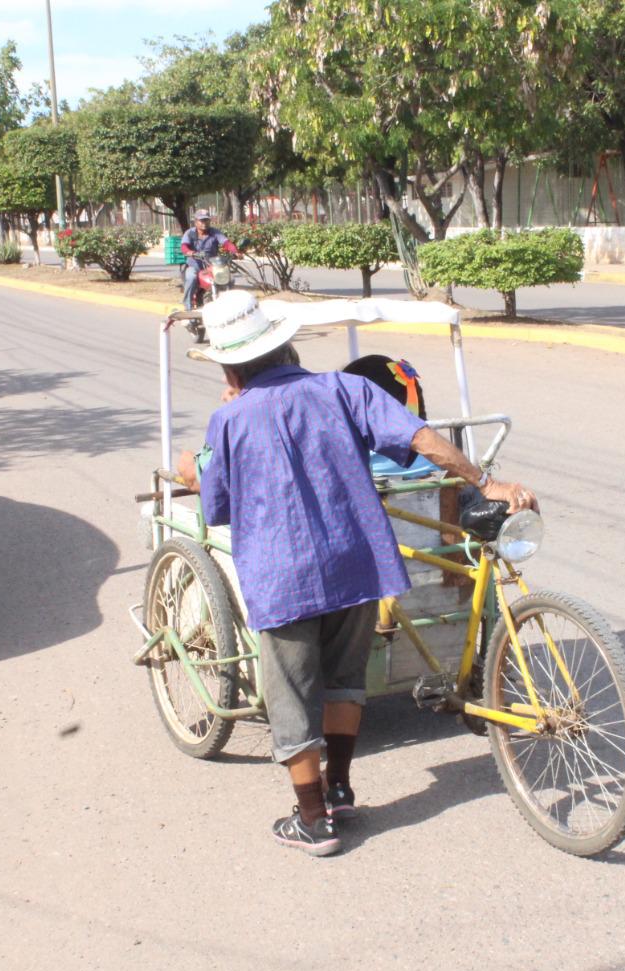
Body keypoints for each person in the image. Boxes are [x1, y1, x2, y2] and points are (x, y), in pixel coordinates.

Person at [173, 291, 537, 857]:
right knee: (346, 679)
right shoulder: (349, 389)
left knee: (292, 694)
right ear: (286, 346)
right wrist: (485, 482)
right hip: (355, 562)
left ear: (230, 365)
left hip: (283, 576)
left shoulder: (229, 419)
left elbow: (217, 506)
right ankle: (340, 788)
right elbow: (421, 438)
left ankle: (314, 819)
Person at [180, 209, 238, 311]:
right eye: (201, 221)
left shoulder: (215, 232)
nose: (204, 223)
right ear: (195, 222)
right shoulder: (189, 233)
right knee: (191, 277)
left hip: (212, 266)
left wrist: (235, 251)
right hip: (195, 265)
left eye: (206, 220)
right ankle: (187, 306)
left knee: (229, 278)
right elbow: (184, 247)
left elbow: (226, 243)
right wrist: (191, 253)